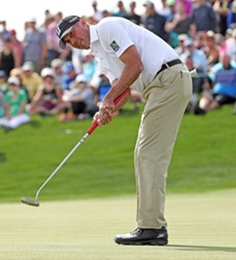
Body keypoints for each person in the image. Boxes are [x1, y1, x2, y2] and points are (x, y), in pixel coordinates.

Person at [57, 15, 192, 245]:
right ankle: (150, 226)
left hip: (168, 79)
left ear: (82, 23)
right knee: (143, 153)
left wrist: (108, 99)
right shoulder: (100, 58)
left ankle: (152, 228)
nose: (73, 40)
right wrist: (106, 110)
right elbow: (124, 92)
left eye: (72, 33)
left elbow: (135, 65)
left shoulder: (107, 27)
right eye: (68, 40)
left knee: (149, 154)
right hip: (160, 87)